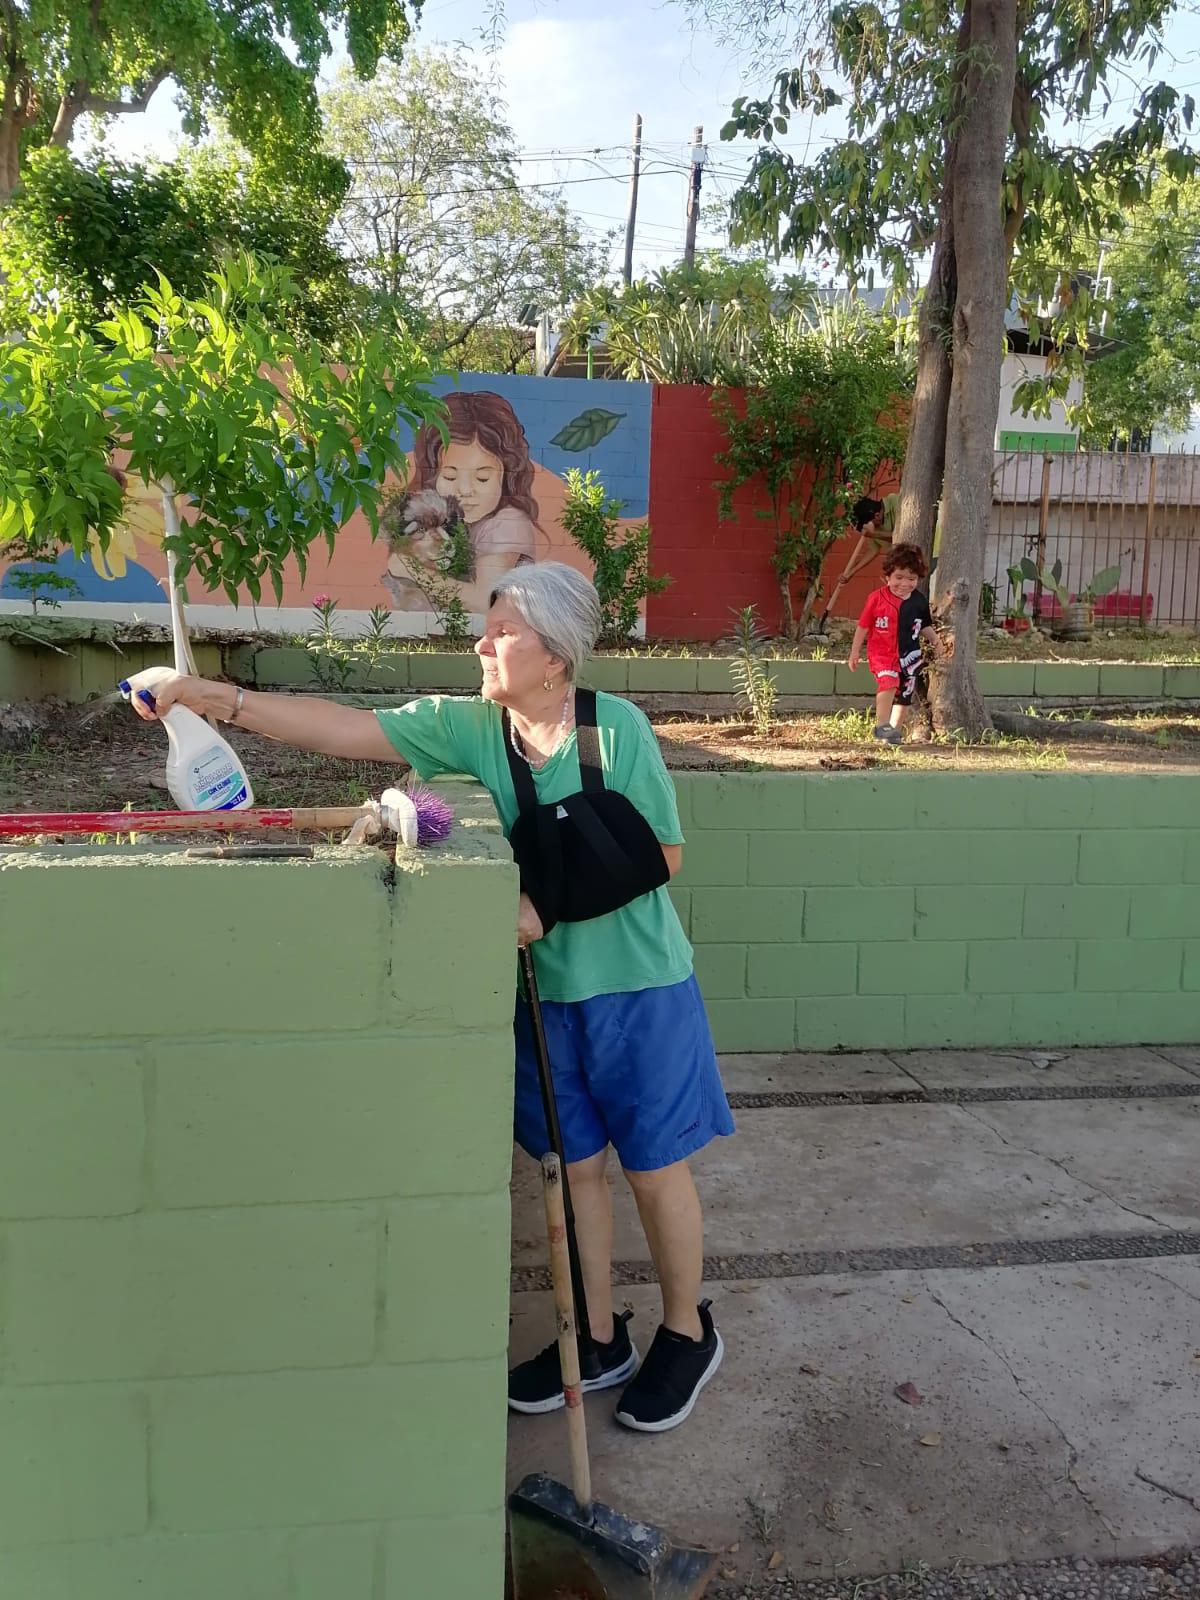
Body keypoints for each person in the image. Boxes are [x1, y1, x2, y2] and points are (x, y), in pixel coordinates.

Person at [131, 561, 734, 1435]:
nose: (481, 646)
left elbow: (664, 856)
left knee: (652, 1168)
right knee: (572, 1170)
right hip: (546, 997)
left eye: (502, 632)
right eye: (484, 630)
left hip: (641, 989)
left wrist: (545, 908)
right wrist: (204, 697)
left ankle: (686, 1333)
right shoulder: (472, 728)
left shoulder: (615, 731)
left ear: (556, 655)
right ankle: (597, 1339)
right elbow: (341, 728)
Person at [385, 392, 544, 614]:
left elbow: (485, 601)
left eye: (482, 478)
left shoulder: (508, 523)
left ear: (507, 475)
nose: (466, 490)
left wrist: (412, 570)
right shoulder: (443, 520)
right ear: (433, 475)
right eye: (450, 477)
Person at [848, 542, 932, 744]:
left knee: (905, 693)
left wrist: (936, 641)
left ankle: (893, 733)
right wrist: (854, 652)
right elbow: (863, 626)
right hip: (882, 654)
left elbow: (923, 625)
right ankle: (882, 724)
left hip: (909, 656)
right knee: (889, 681)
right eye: (899, 577)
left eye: (911, 579)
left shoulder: (919, 601)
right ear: (888, 577)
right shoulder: (876, 599)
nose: (904, 584)